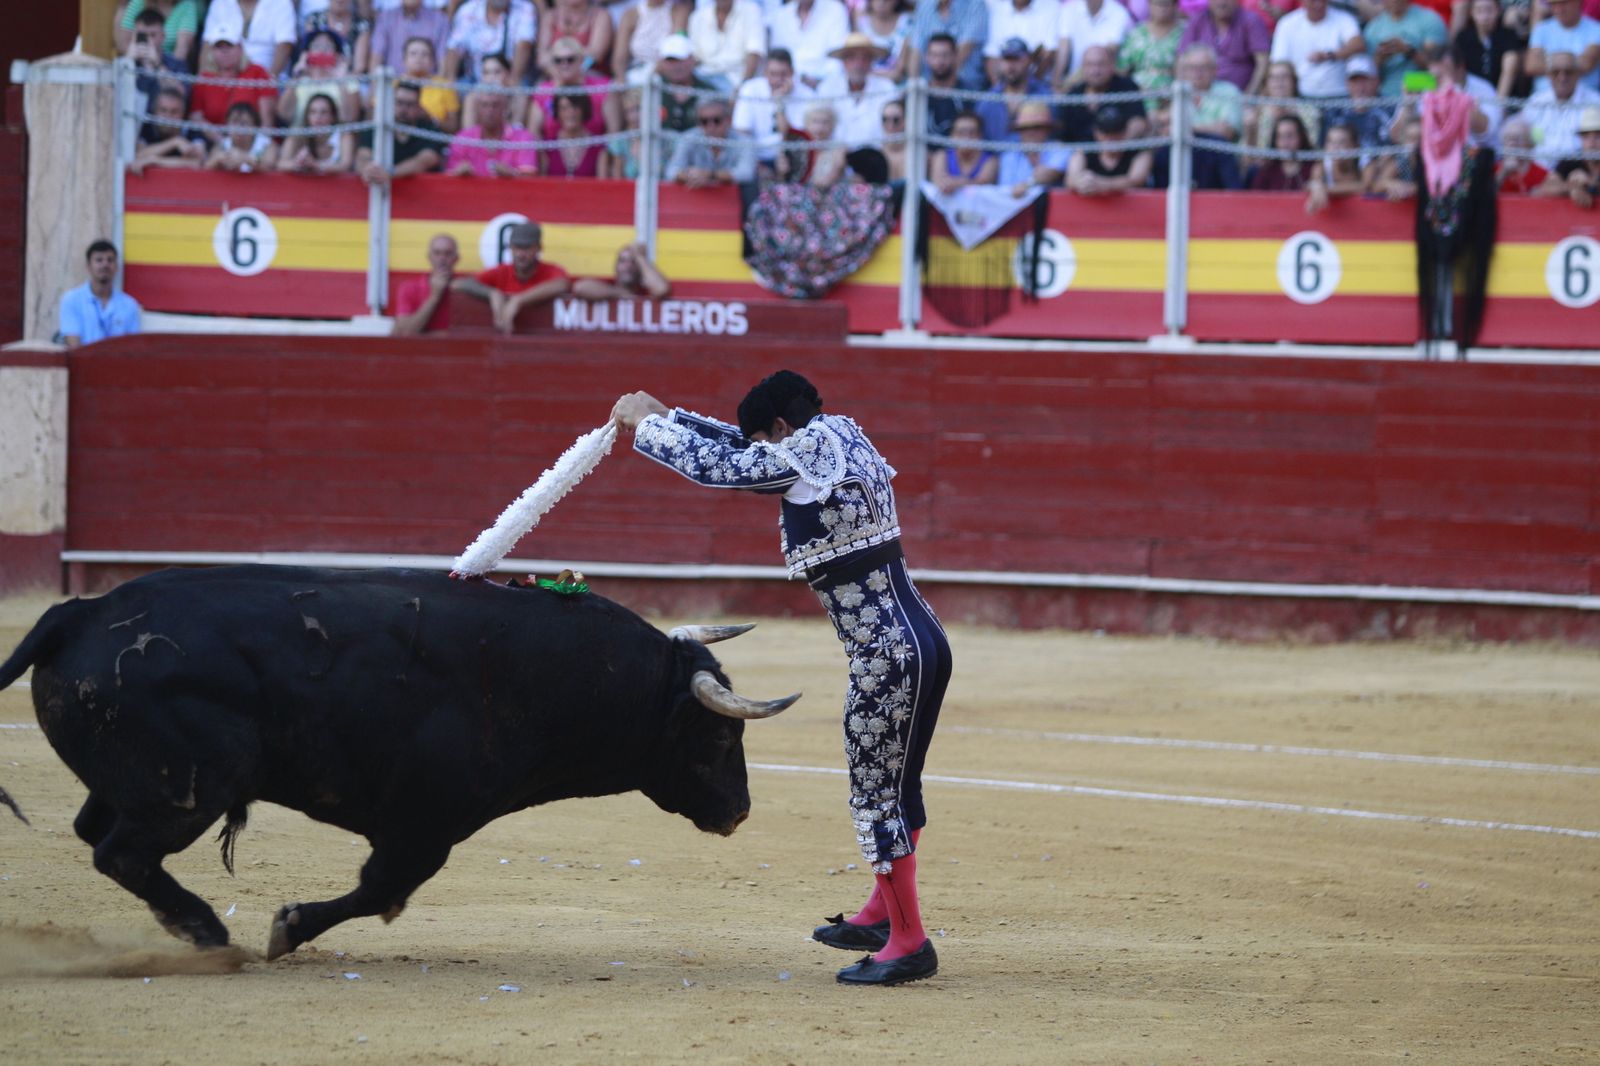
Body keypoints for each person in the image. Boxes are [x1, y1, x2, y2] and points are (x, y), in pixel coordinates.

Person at [610, 369, 952, 987]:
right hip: (924, 643)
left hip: (886, 658)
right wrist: (675, 415)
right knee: (898, 787)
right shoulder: (841, 435)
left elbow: (725, 468)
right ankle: (883, 914)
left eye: (769, 437)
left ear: (783, 427)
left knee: (877, 795)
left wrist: (650, 428)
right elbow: (750, 452)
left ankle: (909, 941)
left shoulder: (797, 456)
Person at [455, 221, 571, 333]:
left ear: (539, 248)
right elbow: (459, 284)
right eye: (516, 247)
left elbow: (561, 284)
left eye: (526, 248)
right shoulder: (502, 271)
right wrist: (492, 294)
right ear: (510, 248)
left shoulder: (550, 270)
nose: (520, 254)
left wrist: (518, 300)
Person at [188, 20, 279, 141]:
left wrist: (257, 149)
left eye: (229, 46)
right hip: (216, 143)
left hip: (255, 142)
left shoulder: (257, 73)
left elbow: (267, 120)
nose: (224, 51)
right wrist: (223, 142)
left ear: (240, 48)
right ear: (212, 52)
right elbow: (196, 117)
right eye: (219, 47)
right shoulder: (204, 79)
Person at [733, 49, 816, 169]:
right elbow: (742, 132)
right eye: (773, 74)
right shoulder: (750, 89)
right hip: (756, 157)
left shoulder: (807, 95)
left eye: (783, 74)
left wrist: (779, 104)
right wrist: (757, 165)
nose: (778, 80)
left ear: (792, 72)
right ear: (765, 73)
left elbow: (791, 137)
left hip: (792, 157)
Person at [815, 34, 900, 149]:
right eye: (852, 58)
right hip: (835, 156)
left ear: (871, 62)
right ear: (844, 62)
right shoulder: (827, 88)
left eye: (864, 59)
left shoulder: (887, 88)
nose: (858, 64)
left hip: (877, 155)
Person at [356, 80, 445, 185]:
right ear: (391, 103)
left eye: (410, 104)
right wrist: (368, 170)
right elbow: (363, 156)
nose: (404, 109)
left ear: (419, 107)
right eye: (399, 102)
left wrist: (390, 173)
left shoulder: (429, 129)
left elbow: (427, 159)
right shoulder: (377, 127)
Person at [1268, 0, 1364, 98]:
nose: (1318, 5)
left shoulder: (1344, 19)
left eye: (1322, 1)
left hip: (1340, 94)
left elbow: (1358, 44)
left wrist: (1329, 55)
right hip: (1301, 95)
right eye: (1313, 1)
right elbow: (1279, 62)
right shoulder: (1287, 23)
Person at [1521, 51, 1600, 166]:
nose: (1562, 77)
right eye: (1555, 72)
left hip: (1578, 173)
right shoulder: (1536, 102)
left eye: (1568, 72)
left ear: (1578, 74)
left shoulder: (1595, 102)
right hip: (1541, 173)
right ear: (1548, 74)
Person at [60, 241, 142, 349]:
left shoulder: (129, 305)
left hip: (117, 364)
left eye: (110, 260)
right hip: (83, 364)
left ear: (116, 267)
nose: (105, 265)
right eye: (99, 260)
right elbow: (74, 346)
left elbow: (133, 348)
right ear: (88, 266)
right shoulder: (71, 300)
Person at [1058, 45, 1147, 144]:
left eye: (1101, 64)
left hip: (1119, 151)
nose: (1095, 71)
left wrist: (1115, 146)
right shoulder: (1073, 95)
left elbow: (1138, 123)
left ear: (1111, 65)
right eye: (1089, 65)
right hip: (1080, 153)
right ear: (1082, 68)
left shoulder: (1126, 87)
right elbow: (1064, 135)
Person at [1178, 0, 1272, 92]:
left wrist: (1249, 97)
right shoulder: (1198, 20)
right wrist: (1182, 92)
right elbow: (1181, 59)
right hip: (1200, 94)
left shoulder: (1251, 20)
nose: (1221, 3)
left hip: (1240, 95)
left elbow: (1262, 63)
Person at [1363, 0, 1449, 98]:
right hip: (1386, 92)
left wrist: (1408, 51)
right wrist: (1380, 57)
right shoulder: (1373, 28)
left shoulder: (1429, 19)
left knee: (1408, 87)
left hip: (1423, 90)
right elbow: (1367, 73)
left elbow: (1439, 68)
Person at [532, 37, 613, 140]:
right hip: (551, 154)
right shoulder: (543, 91)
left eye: (570, 59)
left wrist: (604, 156)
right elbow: (534, 134)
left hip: (598, 153)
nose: (564, 64)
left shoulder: (602, 88)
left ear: (581, 60)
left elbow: (613, 133)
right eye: (558, 60)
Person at [445, 88, 539, 175]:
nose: (490, 110)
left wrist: (512, 174)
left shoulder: (523, 138)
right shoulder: (462, 139)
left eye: (495, 105)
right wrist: (459, 173)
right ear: (476, 109)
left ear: (505, 108)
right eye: (484, 105)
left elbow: (530, 177)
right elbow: (448, 178)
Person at [666, 97, 757, 185]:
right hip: (697, 196)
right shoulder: (688, 138)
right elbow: (671, 171)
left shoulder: (743, 141)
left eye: (717, 120)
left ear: (728, 120)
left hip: (732, 198)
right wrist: (691, 176)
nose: (711, 126)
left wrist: (710, 175)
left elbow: (746, 173)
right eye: (704, 121)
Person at [446, 0, 537, 85]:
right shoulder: (469, 9)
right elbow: (455, 47)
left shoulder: (524, 9)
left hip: (509, 80)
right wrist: (450, 82)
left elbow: (524, 46)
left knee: (521, 89)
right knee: (458, 88)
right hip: (474, 80)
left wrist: (513, 81)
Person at [1067, 104, 1154, 193]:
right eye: (1106, 133)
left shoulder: (1138, 150)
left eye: (1116, 132)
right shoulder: (1086, 149)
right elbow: (1071, 180)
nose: (1111, 138)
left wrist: (1103, 184)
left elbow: (1136, 180)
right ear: (1096, 133)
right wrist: (1082, 182)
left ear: (1125, 131)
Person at [202, 0, 297, 77]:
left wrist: (268, 84)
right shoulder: (220, 3)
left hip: (267, 77)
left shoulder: (282, 3)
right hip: (226, 77)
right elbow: (207, 44)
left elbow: (285, 46)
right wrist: (203, 83)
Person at [769, 0, 853, 88]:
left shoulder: (836, 10)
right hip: (789, 85)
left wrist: (819, 82)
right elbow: (777, 59)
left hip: (827, 85)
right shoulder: (781, 14)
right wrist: (796, 80)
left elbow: (837, 60)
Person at [392, 233, 464, 335]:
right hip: (417, 350)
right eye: (437, 253)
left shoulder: (464, 289)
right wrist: (435, 296)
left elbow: (469, 333)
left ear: (456, 258)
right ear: (429, 257)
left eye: (448, 254)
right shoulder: (410, 288)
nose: (442, 259)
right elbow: (406, 332)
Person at [909, 0, 990, 88]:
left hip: (965, 88)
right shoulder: (925, 4)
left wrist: (941, 86)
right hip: (928, 87)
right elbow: (915, 51)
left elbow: (962, 52)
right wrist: (913, 86)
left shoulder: (975, 4)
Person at [688, 0, 767, 91]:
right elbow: (693, 57)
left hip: (735, 80)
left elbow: (755, 52)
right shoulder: (698, 16)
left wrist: (741, 89)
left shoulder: (751, 11)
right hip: (703, 76)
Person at [1054, 0, 1134, 88]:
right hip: (1074, 81)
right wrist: (1057, 82)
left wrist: (1071, 82)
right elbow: (1063, 51)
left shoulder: (1119, 13)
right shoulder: (1068, 10)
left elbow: (1108, 53)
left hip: (1105, 81)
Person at [997, 100, 1071, 194]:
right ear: (1019, 132)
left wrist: (1028, 184)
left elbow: (1050, 173)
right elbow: (1006, 189)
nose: (1030, 132)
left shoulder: (1059, 149)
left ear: (1047, 130)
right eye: (1025, 128)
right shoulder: (1009, 156)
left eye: (1037, 127)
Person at [1525, 0, 1600, 92]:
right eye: (1554, 5)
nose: (1558, 9)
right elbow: (1531, 65)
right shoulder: (1541, 29)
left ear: (1577, 2)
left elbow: (1586, 64)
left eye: (1563, 3)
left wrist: (1548, 61)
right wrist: (1573, 63)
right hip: (1544, 98)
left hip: (1585, 100)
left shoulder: (1596, 29)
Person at [131, 87, 208, 174]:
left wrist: (156, 160)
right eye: (163, 110)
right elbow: (139, 155)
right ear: (155, 111)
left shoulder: (192, 129)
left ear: (183, 113)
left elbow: (199, 163)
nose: (168, 116)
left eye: (174, 111)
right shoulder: (148, 126)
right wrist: (174, 142)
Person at [1536, 104, 1600, 206]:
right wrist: (1572, 188)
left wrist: (1588, 184)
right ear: (1580, 139)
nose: (1592, 143)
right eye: (1586, 137)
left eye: (1597, 136)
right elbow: (1546, 187)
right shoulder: (1571, 161)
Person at [615, 0, 694, 83]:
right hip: (635, 74)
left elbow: (676, 47)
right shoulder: (630, 15)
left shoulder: (679, 12)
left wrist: (651, 73)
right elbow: (620, 57)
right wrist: (621, 78)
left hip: (666, 75)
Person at [1455, 0, 1521, 98]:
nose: (1485, 17)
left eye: (1489, 10)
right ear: (1471, 13)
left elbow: (1509, 69)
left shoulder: (1509, 35)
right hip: (1472, 97)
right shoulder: (1463, 38)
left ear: (1498, 10)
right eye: (1479, 11)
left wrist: (1498, 105)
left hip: (1504, 99)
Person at [984, 0, 1060, 85]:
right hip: (1004, 85)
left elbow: (1049, 52)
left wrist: (1030, 88)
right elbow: (991, 55)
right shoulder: (998, 9)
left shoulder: (1050, 6)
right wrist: (1001, 91)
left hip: (1039, 84)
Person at [1118, 0, 1188, 90]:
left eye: (1165, 4)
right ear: (1149, 5)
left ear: (1175, 5)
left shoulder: (1186, 32)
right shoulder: (1136, 33)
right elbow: (1122, 70)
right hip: (1137, 95)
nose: (1161, 9)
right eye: (1157, 4)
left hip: (1175, 94)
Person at [276, 92, 354, 173]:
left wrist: (315, 165)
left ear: (333, 117)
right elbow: (280, 163)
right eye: (313, 112)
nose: (318, 117)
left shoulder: (344, 135)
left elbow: (346, 165)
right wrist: (297, 163)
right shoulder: (297, 135)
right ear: (307, 116)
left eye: (324, 112)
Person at [372, 0, 451, 75]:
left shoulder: (440, 20)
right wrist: (373, 85)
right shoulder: (386, 18)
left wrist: (440, 86)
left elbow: (443, 60)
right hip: (393, 83)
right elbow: (377, 54)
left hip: (428, 85)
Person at [572, 241, 673, 300]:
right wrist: (620, 293)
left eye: (633, 262)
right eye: (623, 261)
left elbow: (662, 289)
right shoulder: (606, 286)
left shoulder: (645, 292)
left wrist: (640, 257)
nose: (628, 266)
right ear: (616, 267)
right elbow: (580, 288)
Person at [539, 0, 614, 79]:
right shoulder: (550, 16)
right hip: (554, 78)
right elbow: (542, 57)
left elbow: (596, 55)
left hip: (591, 77)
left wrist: (575, 72)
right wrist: (559, 74)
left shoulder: (601, 15)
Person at [115, 0, 203, 65]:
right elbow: (123, 43)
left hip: (169, 69)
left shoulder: (187, 6)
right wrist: (136, 61)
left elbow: (181, 51)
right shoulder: (138, 2)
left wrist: (158, 65)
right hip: (135, 62)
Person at [931, 108, 1000, 191]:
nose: (966, 138)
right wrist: (964, 183)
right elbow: (939, 182)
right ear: (952, 136)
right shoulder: (941, 155)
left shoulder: (991, 161)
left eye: (972, 133)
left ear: (980, 136)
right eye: (961, 132)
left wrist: (956, 183)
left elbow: (982, 184)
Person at [1304, 122, 1367, 209]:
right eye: (1331, 142)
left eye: (1342, 142)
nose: (1335, 147)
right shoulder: (1323, 164)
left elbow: (1366, 186)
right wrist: (1316, 187)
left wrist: (1325, 189)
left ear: (1354, 146)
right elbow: (1312, 183)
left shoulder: (1364, 160)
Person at [1247, 112, 1317, 188]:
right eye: (1280, 136)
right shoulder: (1267, 170)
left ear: (1301, 137)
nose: (1285, 142)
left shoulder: (1313, 168)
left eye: (1289, 136)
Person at [920, 33, 971, 136]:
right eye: (934, 55)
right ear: (926, 57)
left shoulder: (969, 96)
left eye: (945, 55)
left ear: (956, 56)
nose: (939, 61)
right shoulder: (916, 95)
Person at [205, 101, 279, 171]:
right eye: (234, 122)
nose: (239, 128)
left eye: (244, 123)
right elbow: (205, 170)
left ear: (255, 126)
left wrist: (245, 158)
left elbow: (271, 169)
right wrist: (217, 160)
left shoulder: (267, 145)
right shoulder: (221, 145)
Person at [300, 0, 371, 72]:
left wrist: (341, 79)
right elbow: (305, 58)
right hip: (314, 78)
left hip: (348, 79)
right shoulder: (314, 20)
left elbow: (359, 67)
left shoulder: (361, 25)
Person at [544, 94, 606, 176]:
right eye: (564, 108)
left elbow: (602, 185)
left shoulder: (598, 147)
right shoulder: (547, 146)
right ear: (557, 112)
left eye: (575, 107)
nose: (570, 112)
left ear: (584, 110)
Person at [861, 0, 915, 83]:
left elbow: (899, 72)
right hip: (867, 85)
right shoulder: (862, 23)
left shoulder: (907, 22)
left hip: (898, 86)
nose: (881, 2)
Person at [1494, 117, 1547, 192]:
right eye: (1508, 138)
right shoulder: (1492, 169)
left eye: (1518, 139)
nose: (1512, 143)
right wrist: (1503, 173)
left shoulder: (1542, 174)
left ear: (1530, 144)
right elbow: (1482, 196)